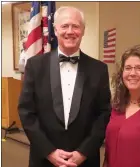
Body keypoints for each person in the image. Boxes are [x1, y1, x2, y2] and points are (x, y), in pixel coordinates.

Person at [18, 6, 111, 167]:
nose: (70, 31)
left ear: (83, 30)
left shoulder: (99, 69)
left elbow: (103, 115)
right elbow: (27, 112)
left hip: (84, 161)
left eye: (75, 26)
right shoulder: (35, 66)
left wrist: (83, 152)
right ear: (55, 30)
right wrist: (49, 152)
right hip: (44, 160)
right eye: (65, 26)